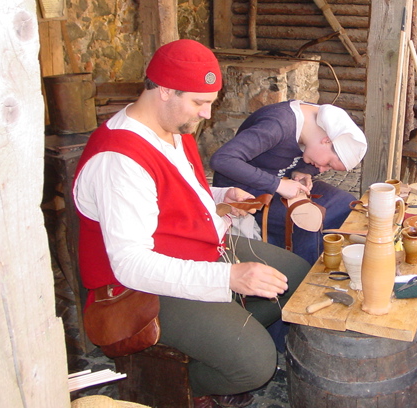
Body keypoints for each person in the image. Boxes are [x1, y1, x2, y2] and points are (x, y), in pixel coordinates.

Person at [73, 39, 311, 408]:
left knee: (297, 275)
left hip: (197, 248)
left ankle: (218, 339)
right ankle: (172, 387)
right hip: (141, 289)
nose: (206, 115)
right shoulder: (119, 162)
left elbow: (173, 190)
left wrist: (220, 195)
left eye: (210, 103)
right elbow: (131, 265)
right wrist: (228, 278)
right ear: (165, 91)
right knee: (257, 365)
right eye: (200, 103)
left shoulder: (172, 128)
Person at [210, 100, 367, 265]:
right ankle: (303, 275)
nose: (322, 170)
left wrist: (305, 170)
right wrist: (279, 185)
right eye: (328, 164)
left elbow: (307, 158)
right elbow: (222, 159)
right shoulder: (277, 125)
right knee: (308, 220)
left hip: (278, 184)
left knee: (345, 204)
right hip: (244, 193)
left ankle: (336, 259)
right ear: (327, 140)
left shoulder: (315, 126)